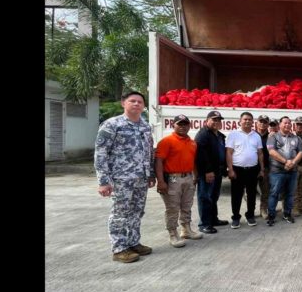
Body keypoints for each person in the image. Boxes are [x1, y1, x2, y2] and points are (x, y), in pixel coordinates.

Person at [94, 91, 156, 264]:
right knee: (120, 214)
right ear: (123, 103)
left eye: (139, 102)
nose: (136, 104)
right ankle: (119, 248)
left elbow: (149, 152)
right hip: (121, 179)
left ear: (143, 106)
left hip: (141, 178)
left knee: (137, 212)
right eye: (132, 101)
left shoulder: (145, 126)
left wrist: (150, 173)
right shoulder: (112, 125)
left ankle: (133, 242)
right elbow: (101, 154)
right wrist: (104, 181)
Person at [155, 114, 203, 247]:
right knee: (172, 208)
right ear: (173, 125)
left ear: (189, 126)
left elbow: (193, 161)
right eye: (179, 124)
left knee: (186, 206)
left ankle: (186, 229)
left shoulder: (192, 142)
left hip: (188, 178)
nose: (182, 127)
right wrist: (160, 181)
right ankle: (172, 234)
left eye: (185, 124)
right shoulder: (167, 141)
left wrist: (195, 176)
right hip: (172, 179)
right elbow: (159, 161)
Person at [226, 112, 265, 228]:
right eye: (245, 119)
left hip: (253, 169)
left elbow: (260, 154)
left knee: (252, 194)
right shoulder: (233, 134)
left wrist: (262, 169)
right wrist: (230, 169)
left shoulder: (256, 136)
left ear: (253, 122)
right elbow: (229, 152)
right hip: (237, 169)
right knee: (236, 195)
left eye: (250, 120)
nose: (247, 121)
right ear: (240, 121)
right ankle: (236, 218)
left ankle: (250, 215)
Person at [266, 116, 302, 225]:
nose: (287, 125)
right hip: (277, 171)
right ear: (280, 124)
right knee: (274, 193)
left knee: (290, 194)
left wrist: (293, 163)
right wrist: (286, 162)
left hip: (292, 171)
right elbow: (271, 152)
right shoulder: (273, 137)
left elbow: (301, 152)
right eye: (285, 123)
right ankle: (271, 216)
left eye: (289, 123)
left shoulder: (295, 138)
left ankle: (287, 214)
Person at [194, 110, 227, 234]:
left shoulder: (219, 135)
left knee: (214, 197)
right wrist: (207, 171)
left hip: (217, 171)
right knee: (205, 197)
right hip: (208, 173)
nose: (216, 122)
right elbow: (200, 154)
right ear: (206, 121)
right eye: (214, 120)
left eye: (219, 120)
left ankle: (213, 219)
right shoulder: (203, 135)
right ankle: (204, 224)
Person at [256, 115, 272, 219]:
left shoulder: (271, 136)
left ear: (268, 124)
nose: (263, 124)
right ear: (257, 123)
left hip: (266, 167)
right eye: (261, 121)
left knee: (265, 191)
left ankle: (263, 209)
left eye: (265, 122)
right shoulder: (252, 135)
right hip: (251, 167)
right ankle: (250, 211)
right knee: (249, 192)